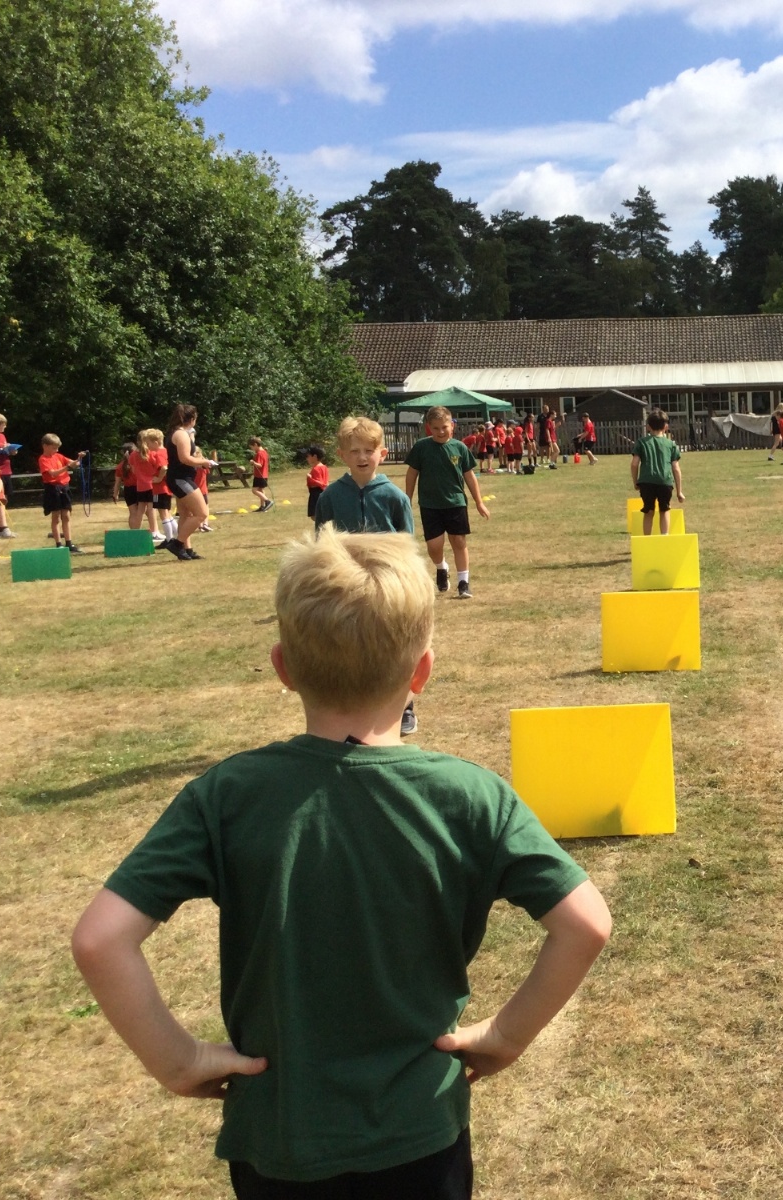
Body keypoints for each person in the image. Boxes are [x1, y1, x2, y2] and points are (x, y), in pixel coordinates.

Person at [70, 527, 611, 1199]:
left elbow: (100, 939)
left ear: (283, 667)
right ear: (422, 671)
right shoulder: (474, 797)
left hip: (280, 1137)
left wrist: (177, 1060)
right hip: (421, 1134)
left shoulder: (226, 796)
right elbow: (586, 924)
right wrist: (506, 1035)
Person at [313, 417, 420, 737]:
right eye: (354, 451)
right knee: (349, 647)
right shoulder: (330, 497)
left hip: (388, 588)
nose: (362, 457)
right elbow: (321, 544)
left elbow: (408, 546)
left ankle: (403, 707)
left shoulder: (395, 498)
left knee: (394, 647)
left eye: (369, 450)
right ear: (342, 455)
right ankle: (350, 709)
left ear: (382, 453)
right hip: (345, 588)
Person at [404, 405, 490, 600]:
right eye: (436, 428)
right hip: (430, 504)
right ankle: (441, 567)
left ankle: (463, 583)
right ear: (429, 427)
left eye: (444, 427)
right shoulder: (421, 448)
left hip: (456, 502)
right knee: (434, 546)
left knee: (459, 541)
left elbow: (469, 477)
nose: (441, 431)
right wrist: (407, 499)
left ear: (452, 426)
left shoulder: (460, 448)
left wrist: (479, 502)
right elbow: (411, 474)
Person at [163, 404, 217, 561]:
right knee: (202, 513)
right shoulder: (181, 435)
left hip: (180, 477)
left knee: (186, 515)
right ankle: (177, 544)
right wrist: (204, 462)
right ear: (192, 419)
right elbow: (185, 458)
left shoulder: (178, 433)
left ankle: (187, 550)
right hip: (181, 479)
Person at [631, 408, 685, 536]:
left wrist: (636, 482)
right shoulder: (671, 444)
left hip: (646, 481)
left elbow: (634, 464)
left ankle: (647, 539)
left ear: (648, 427)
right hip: (665, 481)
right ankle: (664, 537)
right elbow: (676, 468)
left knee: (648, 511)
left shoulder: (641, 443)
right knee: (664, 510)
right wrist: (679, 491)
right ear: (666, 427)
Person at [37, 433, 87, 553]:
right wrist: (67, 467)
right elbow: (53, 473)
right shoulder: (43, 459)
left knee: (66, 515)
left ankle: (69, 543)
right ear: (45, 446)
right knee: (56, 517)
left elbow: (74, 464)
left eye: (57, 448)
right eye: (54, 448)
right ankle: (58, 543)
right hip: (52, 488)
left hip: (64, 487)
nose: (56, 450)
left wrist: (79, 458)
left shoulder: (59, 456)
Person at [303, 446, 329, 519]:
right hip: (322, 492)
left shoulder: (316, 469)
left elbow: (320, 483)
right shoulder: (324, 467)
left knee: (316, 516)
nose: (307, 458)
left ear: (314, 456)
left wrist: (310, 478)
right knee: (317, 515)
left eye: (308, 456)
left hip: (317, 493)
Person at [248, 438, 273, 512]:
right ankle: (262, 506)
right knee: (260, 490)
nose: (252, 449)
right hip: (264, 475)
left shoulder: (260, 453)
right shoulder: (264, 452)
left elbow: (260, 465)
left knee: (254, 490)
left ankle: (267, 501)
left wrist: (253, 462)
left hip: (260, 475)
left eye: (252, 447)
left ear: (255, 445)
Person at [112, 442, 135, 509]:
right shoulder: (138, 464)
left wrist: (115, 494)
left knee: (133, 512)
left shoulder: (120, 466)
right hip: (141, 488)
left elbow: (117, 482)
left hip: (129, 490)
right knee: (146, 511)